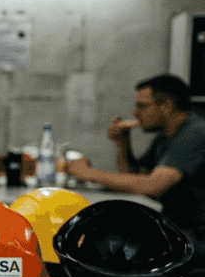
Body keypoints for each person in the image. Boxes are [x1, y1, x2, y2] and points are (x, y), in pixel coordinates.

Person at [66, 74, 205, 248]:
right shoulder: (165, 136)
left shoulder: (195, 133)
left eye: (142, 105)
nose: (135, 112)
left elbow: (152, 185)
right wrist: (122, 143)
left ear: (167, 106)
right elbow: (133, 180)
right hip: (174, 227)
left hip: (194, 237)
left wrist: (89, 174)